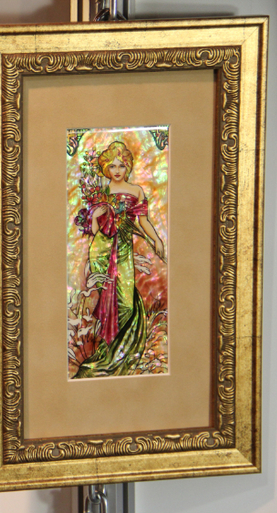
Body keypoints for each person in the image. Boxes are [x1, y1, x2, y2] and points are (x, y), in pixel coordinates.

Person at [74, 141, 165, 378]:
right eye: (112, 166)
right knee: (109, 300)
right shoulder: (101, 193)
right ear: (106, 167)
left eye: (122, 166)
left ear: (128, 167)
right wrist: (96, 217)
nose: (117, 170)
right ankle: (108, 354)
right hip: (104, 250)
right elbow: (95, 231)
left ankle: (124, 354)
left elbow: (143, 221)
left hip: (124, 250)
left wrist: (157, 239)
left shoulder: (136, 191)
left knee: (126, 303)